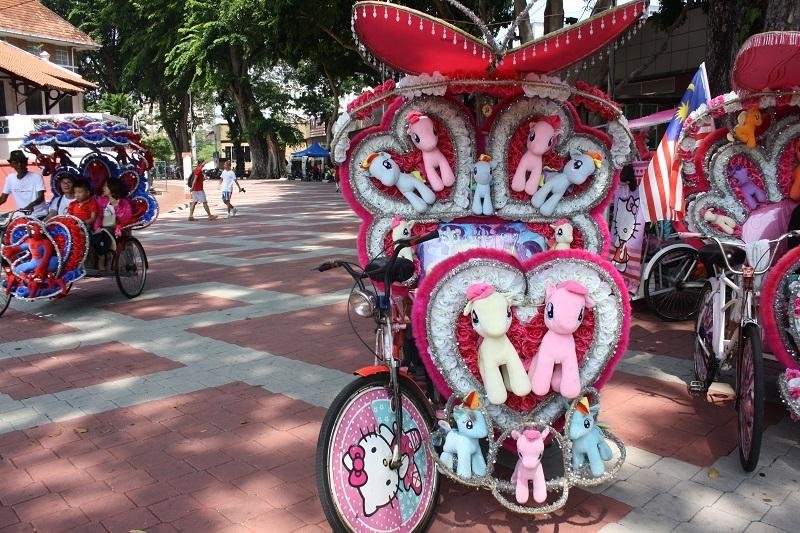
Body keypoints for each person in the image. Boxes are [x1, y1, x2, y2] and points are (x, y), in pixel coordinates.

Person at [93, 179, 133, 270]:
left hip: (119, 229)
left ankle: (107, 260)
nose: (103, 188)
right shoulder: (101, 201)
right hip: (104, 228)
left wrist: (117, 206)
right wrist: (97, 227)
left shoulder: (124, 203)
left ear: (113, 188)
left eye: (106, 186)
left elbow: (126, 218)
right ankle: (101, 258)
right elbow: (99, 216)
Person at [0, 150, 47, 218]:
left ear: (26, 163)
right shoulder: (10, 178)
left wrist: (30, 206)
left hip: (39, 214)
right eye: (15, 163)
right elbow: (3, 199)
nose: (19, 165)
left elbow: (41, 198)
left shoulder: (36, 177)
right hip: (21, 215)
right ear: (11, 165)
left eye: (22, 162)